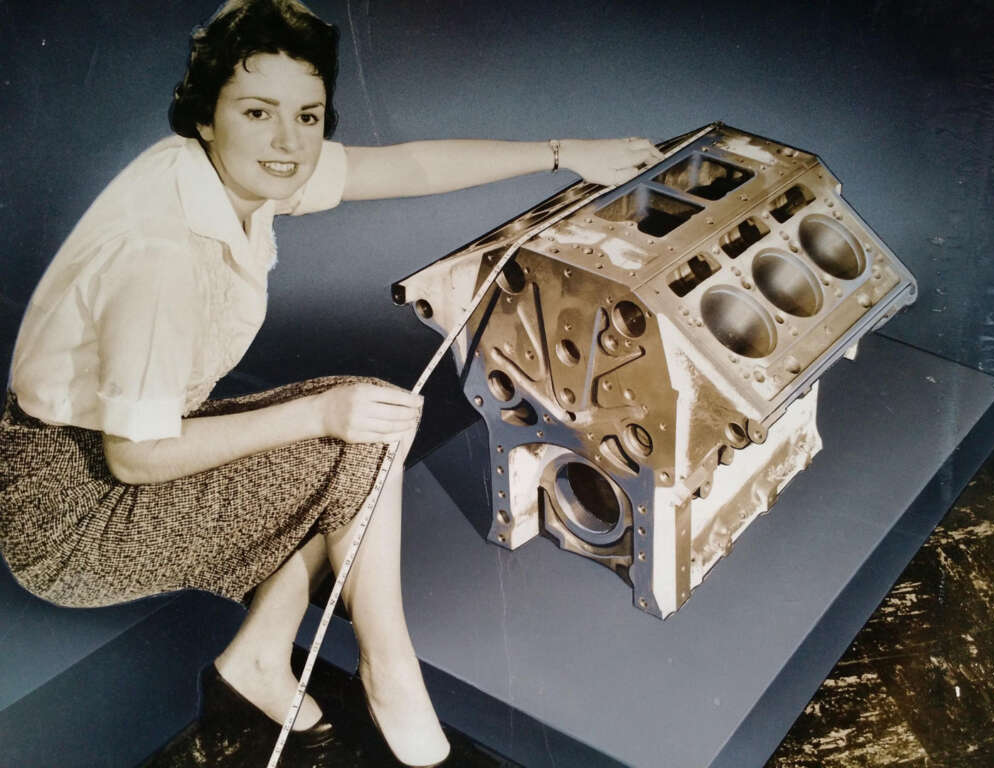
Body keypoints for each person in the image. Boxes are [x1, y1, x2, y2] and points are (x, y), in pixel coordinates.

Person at [0, 0, 663, 765]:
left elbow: (406, 167)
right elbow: (133, 458)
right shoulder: (162, 255)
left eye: (308, 116)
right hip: (71, 512)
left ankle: (261, 655)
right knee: (355, 431)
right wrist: (320, 415)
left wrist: (563, 152)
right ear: (205, 116)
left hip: (107, 446)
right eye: (258, 112)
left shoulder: (230, 172)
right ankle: (390, 674)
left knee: (365, 414)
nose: (288, 142)